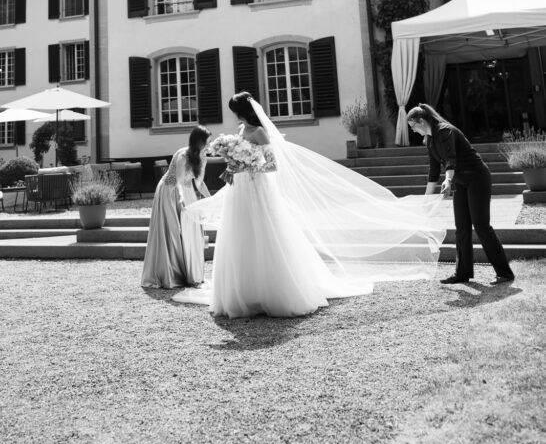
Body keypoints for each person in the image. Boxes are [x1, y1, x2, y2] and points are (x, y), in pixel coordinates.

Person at [177, 93, 446, 319]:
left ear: (243, 111)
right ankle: (243, 293)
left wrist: (247, 163)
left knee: (265, 235)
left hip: (258, 189)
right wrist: (233, 164)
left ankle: (274, 291)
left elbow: (272, 165)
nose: (236, 117)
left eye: (236, 111)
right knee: (240, 236)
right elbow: (239, 159)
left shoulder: (259, 131)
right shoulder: (239, 131)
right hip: (240, 191)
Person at [407, 103, 515, 286]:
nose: (413, 131)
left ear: (422, 121)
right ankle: (462, 273)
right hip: (461, 182)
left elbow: (451, 159)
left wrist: (448, 180)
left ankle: (504, 273)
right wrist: (426, 201)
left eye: (413, 126)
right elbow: (433, 171)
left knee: (481, 226)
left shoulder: (445, 131)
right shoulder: (430, 140)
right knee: (462, 228)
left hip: (477, 177)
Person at [141, 125, 211, 289]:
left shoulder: (203, 158)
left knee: (191, 229)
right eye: (206, 142)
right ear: (198, 142)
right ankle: (170, 274)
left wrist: (210, 200)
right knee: (172, 229)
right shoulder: (182, 155)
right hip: (170, 191)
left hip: (188, 192)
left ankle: (191, 274)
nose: (208, 146)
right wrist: (181, 200)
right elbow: (179, 181)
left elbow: (199, 183)